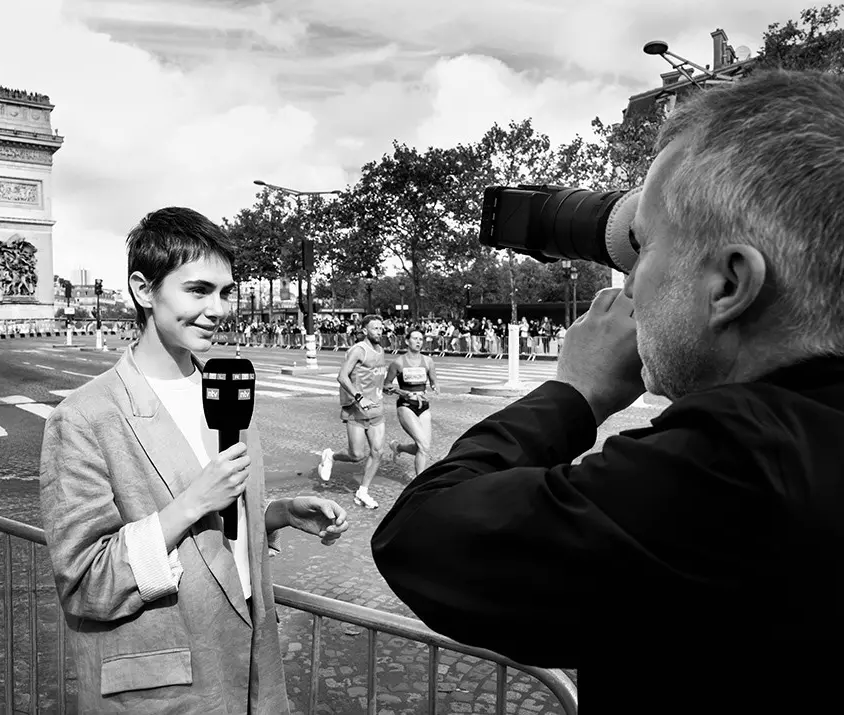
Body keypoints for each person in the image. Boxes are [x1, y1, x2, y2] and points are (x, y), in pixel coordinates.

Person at [370, 70, 844, 709]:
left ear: (730, 285)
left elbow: (423, 539)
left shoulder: (743, 465)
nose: (628, 284)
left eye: (642, 250)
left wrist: (576, 392)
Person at [40, 207, 349, 714]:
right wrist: (189, 504)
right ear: (144, 290)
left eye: (226, 292)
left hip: (252, 665)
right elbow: (84, 582)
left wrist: (276, 514)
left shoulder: (226, 388)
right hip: (164, 685)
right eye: (198, 290)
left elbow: (220, 520)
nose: (219, 308)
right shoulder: (83, 417)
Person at [318, 314, 388, 509]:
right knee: (356, 455)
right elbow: (342, 377)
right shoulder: (358, 350)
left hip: (376, 409)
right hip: (357, 410)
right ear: (365, 330)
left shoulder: (381, 350)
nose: (379, 332)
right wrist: (360, 397)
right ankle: (330, 456)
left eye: (381, 328)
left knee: (378, 452)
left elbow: (375, 376)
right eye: (375, 328)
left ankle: (362, 492)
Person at [384, 327, 439, 477]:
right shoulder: (398, 363)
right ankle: (418, 483)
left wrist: (435, 387)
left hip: (424, 406)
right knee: (423, 446)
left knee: (423, 447)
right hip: (406, 406)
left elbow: (434, 380)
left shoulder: (428, 361)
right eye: (415, 339)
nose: (418, 342)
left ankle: (398, 447)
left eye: (421, 339)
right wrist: (402, 392)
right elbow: (386, 385)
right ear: (407, 341)